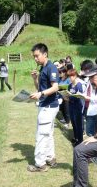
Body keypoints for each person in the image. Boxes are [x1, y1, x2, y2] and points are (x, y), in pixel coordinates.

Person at [28, 43, 60, 172]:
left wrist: (40, 94)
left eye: (37, 56)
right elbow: (40, 88)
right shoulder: (43, 68)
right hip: (46, 105)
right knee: (48, 133)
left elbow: (55, 87)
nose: (35, 59)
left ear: (45, 54)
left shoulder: (51, 68)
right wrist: (35, 79)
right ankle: (50, 158)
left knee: (41, 134)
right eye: (34, 56)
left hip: (48, 106)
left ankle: (40, 164)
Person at [79, 60, 97, 136]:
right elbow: (87, 92)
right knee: (88, 131)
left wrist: (88, 98)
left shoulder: (96, 80)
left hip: (93, 110)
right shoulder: (88, 79)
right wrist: (81, 95)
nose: (84, 72)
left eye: (84, 70)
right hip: (87, 107)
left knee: (91, 132)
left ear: (89, 69)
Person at [66, 69, 84, 146]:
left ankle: (80, 140)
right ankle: (76, 137)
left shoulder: (79, 85)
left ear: (76, 76)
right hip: (71, 106)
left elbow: (79, 96)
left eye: (72, 76)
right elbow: (68, 94)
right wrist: (66, 96)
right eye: (69, 76)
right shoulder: (70, 85)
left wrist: (70, 97)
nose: (71, 77)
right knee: (73, 122)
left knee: (78, 124)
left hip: (77, 106)